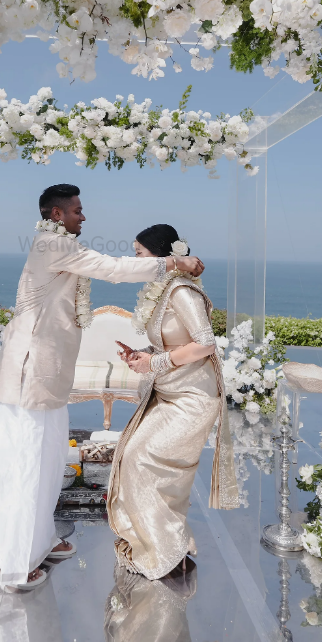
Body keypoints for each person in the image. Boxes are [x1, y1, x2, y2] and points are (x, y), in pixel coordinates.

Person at [0, 187, 206, 590]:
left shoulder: (58, 243)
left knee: (46, 460)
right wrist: (174, 262)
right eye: (78, 211)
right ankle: (9, 562)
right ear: (57, 214)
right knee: (25, 463)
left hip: (47, 375)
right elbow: (112, 267)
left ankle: (39, 540)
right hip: (31, 373)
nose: (85, 217)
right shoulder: (51, 244)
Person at [106, 224, 240, 580]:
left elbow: (205, 344)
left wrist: (156, 363)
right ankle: (160, 544)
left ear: (162, 257)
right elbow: (168, 345)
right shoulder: (160, 289)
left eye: (139, 254)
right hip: (166, 392)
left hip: (193, 398)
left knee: (144, 460)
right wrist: (143, 355)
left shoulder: (181, 291)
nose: (135, 262)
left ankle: (167, 549)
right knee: (132, 456)